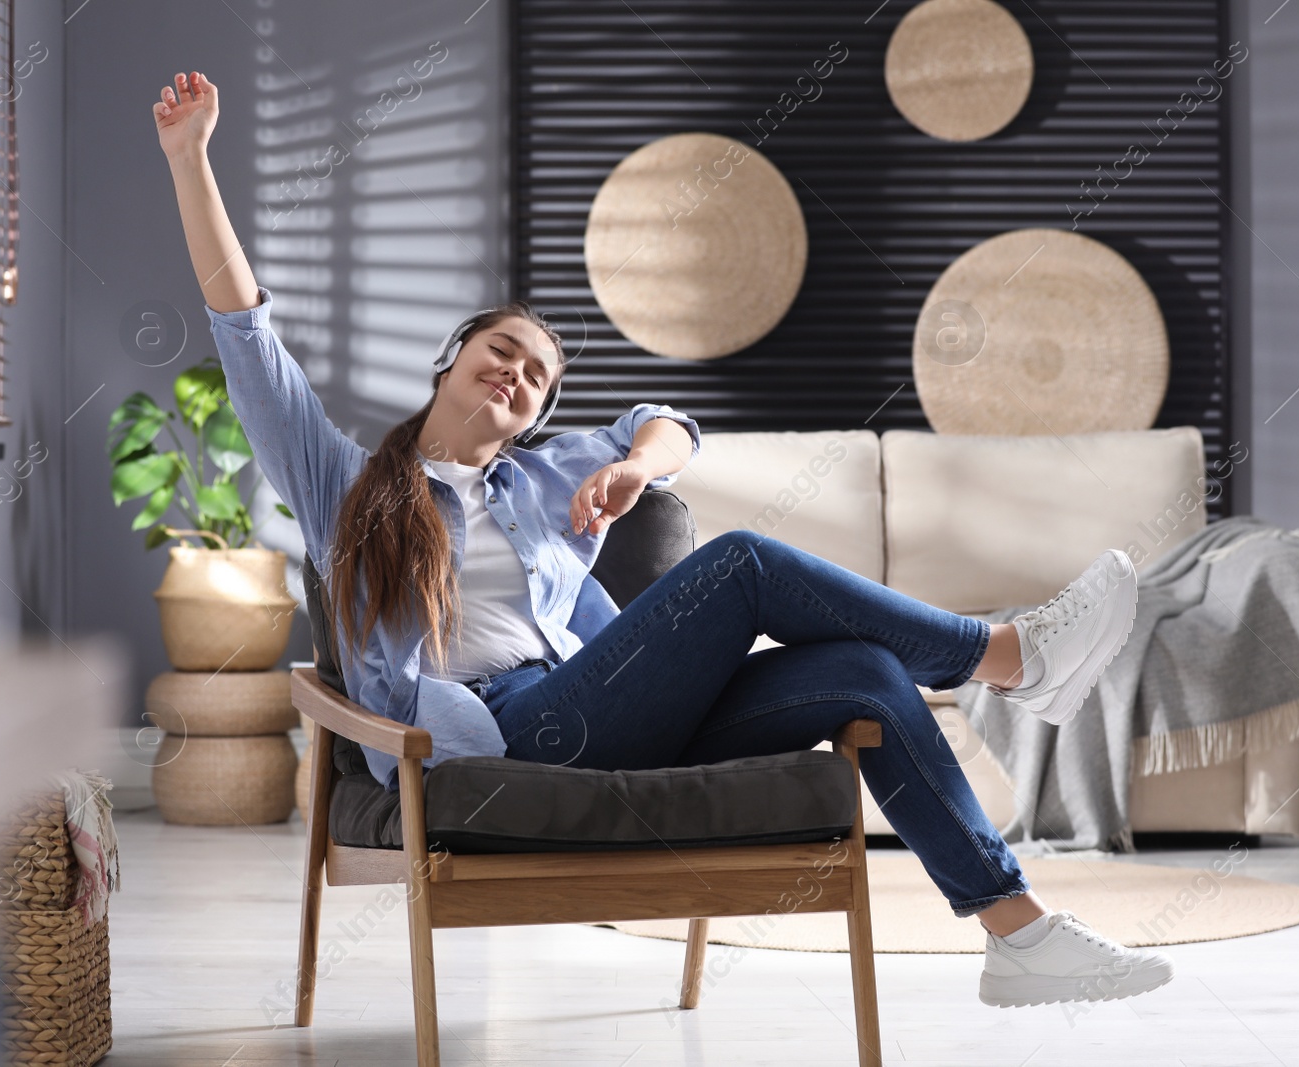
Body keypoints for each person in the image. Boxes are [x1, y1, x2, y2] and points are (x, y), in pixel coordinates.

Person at [153, 68, 1174, 1009]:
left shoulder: (551, 475)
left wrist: (637, 466)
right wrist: (190, 157)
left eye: (538, 377)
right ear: (450, 359)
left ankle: (1017, 933)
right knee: (742, 562)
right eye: (499, 352)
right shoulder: (344, 482)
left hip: (608, 697)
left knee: (864, 671)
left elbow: (669, 418)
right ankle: (1005, 655)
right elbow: (244, 326)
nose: (515, 375)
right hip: (512, 732)